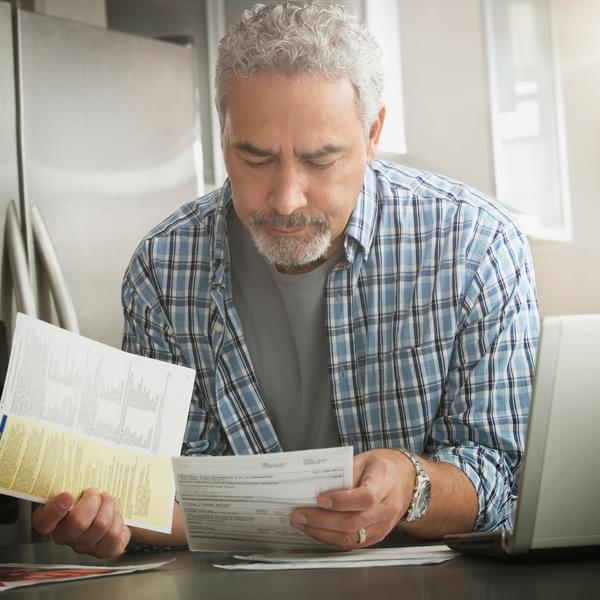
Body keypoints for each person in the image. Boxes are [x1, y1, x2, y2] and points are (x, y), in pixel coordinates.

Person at [31, 0, 539, 558]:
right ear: (223, 136)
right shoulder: (163, 270)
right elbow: (171, 491)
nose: (286, 198)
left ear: (372, 132)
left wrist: (411, 483)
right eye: (255, 158)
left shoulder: (476, 248)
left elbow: (503, 480)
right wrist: (117, 522)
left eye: (321, 161)